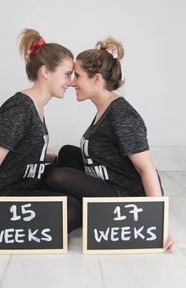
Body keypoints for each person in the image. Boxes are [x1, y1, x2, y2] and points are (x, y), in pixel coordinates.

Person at [45, 36, 174, 252]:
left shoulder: (122, 115)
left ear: (96, 79)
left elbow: (147, 169)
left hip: (126, 195)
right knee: (67, 152)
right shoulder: (104, 109)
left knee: (57, 176)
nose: (72, 82)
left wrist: (158, 223)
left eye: (77, 76)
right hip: (107, 178)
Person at [0, 28, 82, 253]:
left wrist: (55, 158)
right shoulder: (19, 108)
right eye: (67, 74)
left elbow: (24, 150)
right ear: (46, 71)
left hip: (25, 185)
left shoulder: (37, 106)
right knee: (72, 211)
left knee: (68, 159)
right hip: (1, 194)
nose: (70, 82)